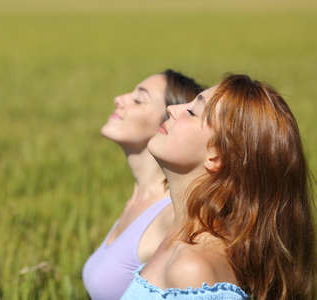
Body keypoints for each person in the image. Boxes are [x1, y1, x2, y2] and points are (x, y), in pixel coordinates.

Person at [121, 74, 316, 300]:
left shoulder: (192, 269)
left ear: (216, 156)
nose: (173, 108)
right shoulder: (180, 239)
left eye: (193, 112)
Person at [83, 70, 204, 300]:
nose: (119, 99)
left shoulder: (171, 215)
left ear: (169, 121)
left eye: (139, 99)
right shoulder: (137, 200)